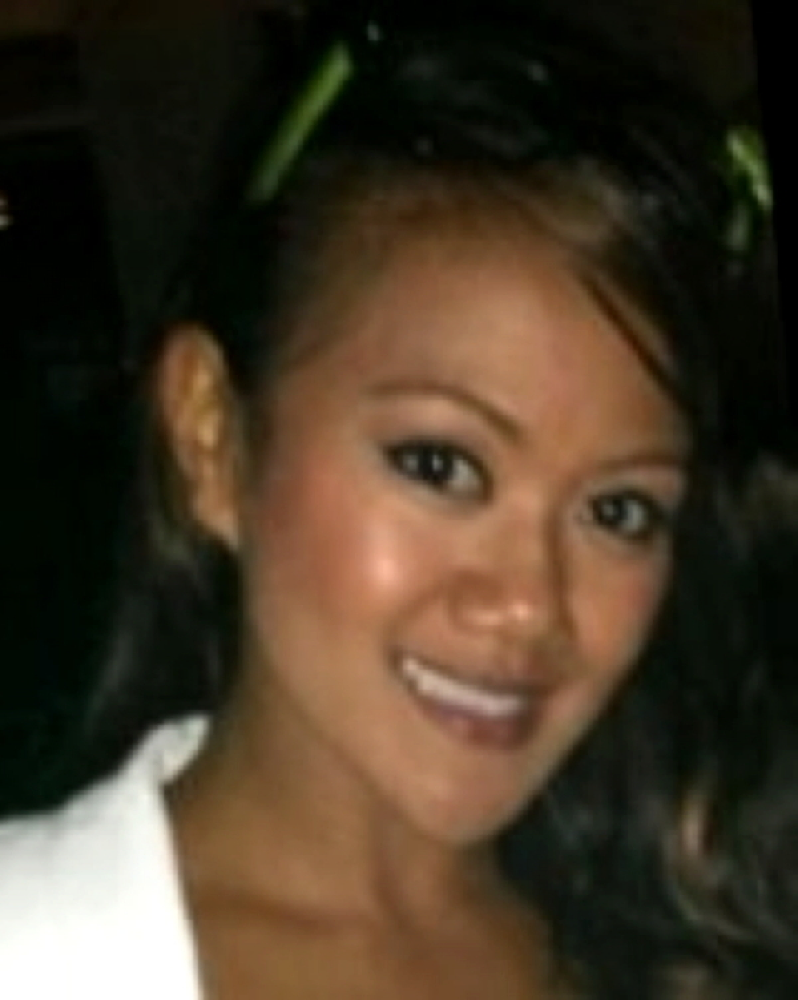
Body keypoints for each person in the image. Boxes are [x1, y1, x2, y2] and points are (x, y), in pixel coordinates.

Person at [0, 5, 793, 998]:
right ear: (212, 436)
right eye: (440, 465)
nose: (530, 603)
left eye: (619, 511)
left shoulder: (696, 942)